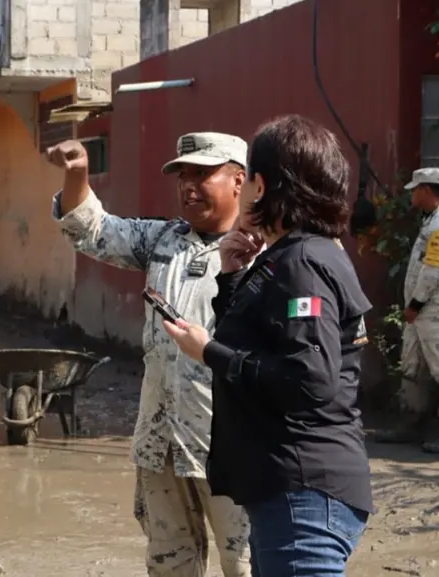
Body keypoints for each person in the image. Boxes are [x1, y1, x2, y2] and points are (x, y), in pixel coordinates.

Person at [162, 114, 372, 576]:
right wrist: (232, 276)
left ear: (258, 185)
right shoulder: (290, 257)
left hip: (304, 491)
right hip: (289, 490)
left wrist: (209, 352)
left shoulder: (303, 262)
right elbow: (272, 340)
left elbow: (309, 378)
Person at [47, 133, 252, 576]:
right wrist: (78, 173)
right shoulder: (163, 240)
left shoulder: (265, 252)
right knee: (168, 563)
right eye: (183, 175)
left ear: (239, 180)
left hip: (233, 450)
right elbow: (91, 229)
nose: (188, 185)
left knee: (247, 564)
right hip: (161, 443)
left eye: (202, 173)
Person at [373, 167, 439, 453]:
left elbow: (433, 270)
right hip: (424, 311)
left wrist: (415, 305)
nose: (412, 195)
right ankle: (412, 424)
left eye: (415, 189)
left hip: (436, 309)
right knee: (412, 366)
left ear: (427, 190)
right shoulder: (434, 220)